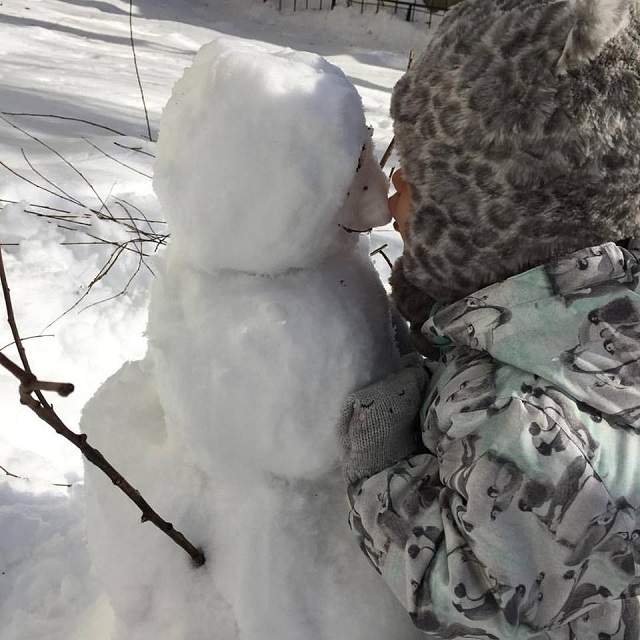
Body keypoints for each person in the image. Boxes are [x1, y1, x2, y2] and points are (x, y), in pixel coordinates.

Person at [338, 0, 640, 637]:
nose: (390, 190)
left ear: (491, 219)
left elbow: (475, 593)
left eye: (418, 176)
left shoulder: (508, 417)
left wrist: (382, 475)